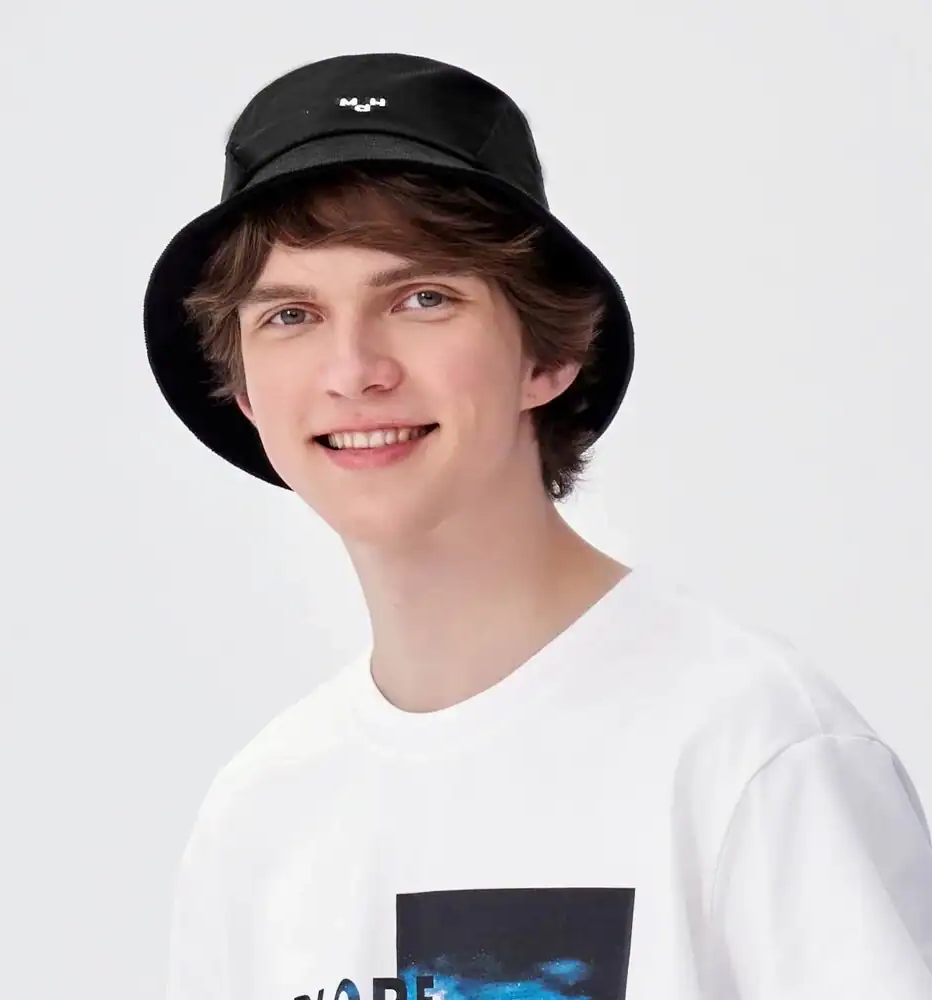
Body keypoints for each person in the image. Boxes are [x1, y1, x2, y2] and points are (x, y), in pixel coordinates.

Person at [144, 53, 932, 1000]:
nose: (353, 369)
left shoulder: (752, 750)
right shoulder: (259, 815)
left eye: (422, 299)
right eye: (292, 315)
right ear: (242, 391)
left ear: (547, 356)